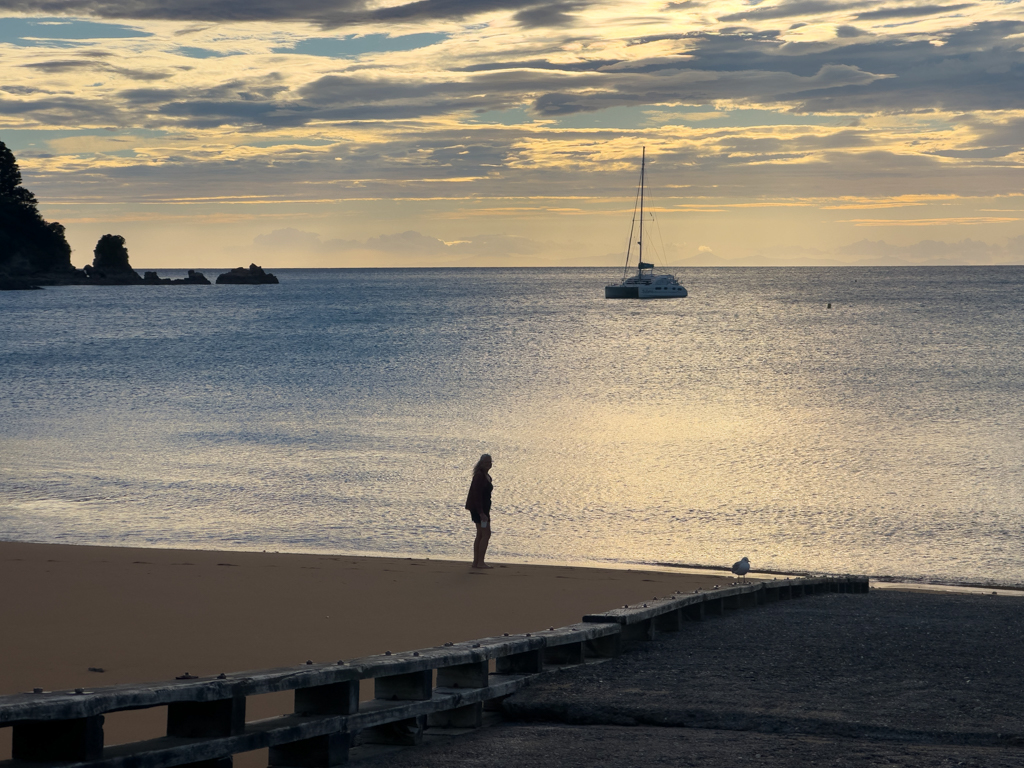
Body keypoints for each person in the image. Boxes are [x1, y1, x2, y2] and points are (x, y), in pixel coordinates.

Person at [465, 453, 493, 569]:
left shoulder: (485, 475)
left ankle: (476, 562)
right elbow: (476, 495)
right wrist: (481, 513)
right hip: (479, 509)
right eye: (486, 462)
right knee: (486, 534)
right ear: (481, 463)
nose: (488, 464)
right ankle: (480, 562)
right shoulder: (479, 476)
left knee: (481, 534)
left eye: (490, 462)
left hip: (483, 508)